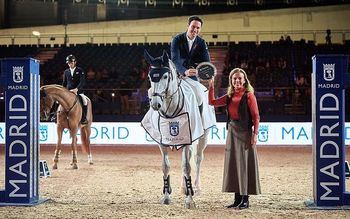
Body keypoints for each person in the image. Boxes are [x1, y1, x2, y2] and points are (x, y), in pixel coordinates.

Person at [208, 68, 261, 209]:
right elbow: (212, 102)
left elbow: (256, 116)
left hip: (245, 133)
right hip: (232, 131)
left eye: (240, 78)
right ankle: (237, 199)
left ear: (244, 80)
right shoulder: (230, 95)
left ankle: (245, 199)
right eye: (234, 78)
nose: (237, 81)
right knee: (234, 166)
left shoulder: (249, 95)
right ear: (231, 81)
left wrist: (255, 134)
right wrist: (211, 86)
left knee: (244, 165)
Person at [171, 15, 210, 108]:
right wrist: (184, 71)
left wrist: (199, 71)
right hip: (176, 73)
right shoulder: (177, 39)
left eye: (198, 28)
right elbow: (175, 59)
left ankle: (199, 119)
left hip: (192, 75)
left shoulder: (201, 42)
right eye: (193, 26)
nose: (195, 29)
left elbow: (207, 62)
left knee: (200, 97)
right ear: (188, 26)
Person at [49, 54, 88, 124]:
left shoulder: (80, 70)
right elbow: (64, 83)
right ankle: (55, 115)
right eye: (69, 63)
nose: (70, 64)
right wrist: (62, 91)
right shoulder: (66, 71)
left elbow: (82, 82)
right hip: (68, 91)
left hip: (78, 91)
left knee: (84, 100)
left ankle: (83, 117)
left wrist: (77, 89)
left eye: (71, 63)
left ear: (75, 62)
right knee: (57, 100)